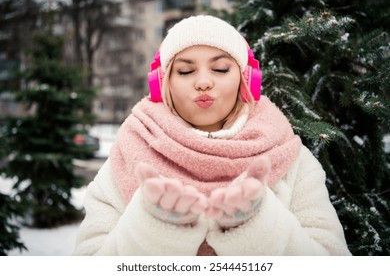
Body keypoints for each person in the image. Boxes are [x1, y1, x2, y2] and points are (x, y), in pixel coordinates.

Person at [73, 15, 351, 256]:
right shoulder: (128, 154)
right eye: (185, 70)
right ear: (162, 83)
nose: (203, 81)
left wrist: (258, 226)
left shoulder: (291, 158)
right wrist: (153, 227)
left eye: (220, 68)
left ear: (247, 79)